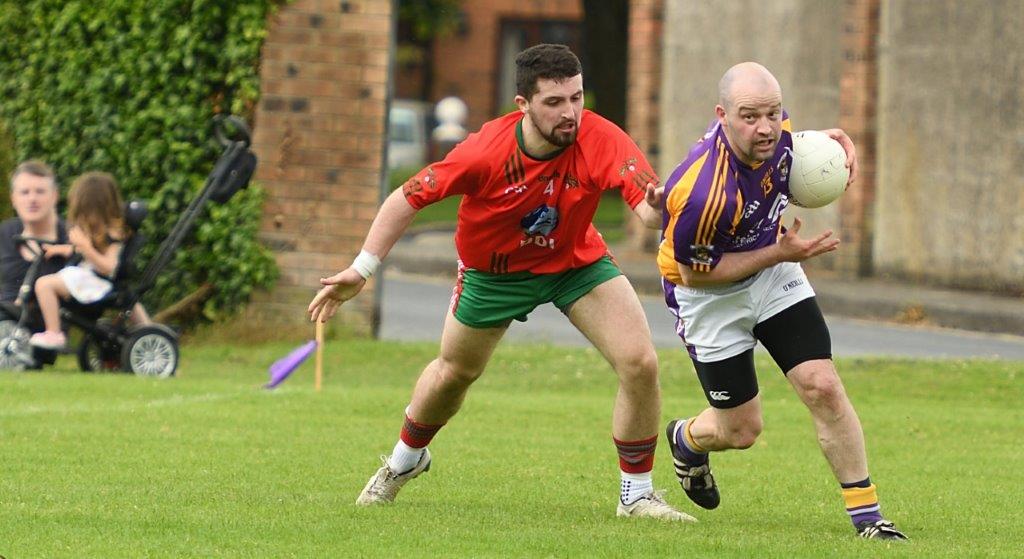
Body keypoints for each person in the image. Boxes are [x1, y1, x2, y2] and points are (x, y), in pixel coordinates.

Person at [308, 44, 694, 521]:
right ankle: (405, 461)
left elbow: (646, 210)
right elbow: (406, 199)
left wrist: (662, 207)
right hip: (494, 275)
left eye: (576, 98)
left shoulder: (601, 136)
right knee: (453, 376)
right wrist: (362, 268)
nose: (570, 113)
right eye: (554, 103)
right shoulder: (483, 152)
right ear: (523, 106)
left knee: (639, 362)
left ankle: (636, 496)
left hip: (575, 261)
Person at [658, 62, 907, 539]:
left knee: (823, 386)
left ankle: (868, 517)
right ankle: (686, 439)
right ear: (723, 116)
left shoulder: (776, 130)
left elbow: (798, 141)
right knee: (741, 432)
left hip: (773, 274)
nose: (767, 127)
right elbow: (696, 273)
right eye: (750, 116)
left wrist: (833, 143)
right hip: (708, 296)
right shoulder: (704, 191)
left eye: (773, 113)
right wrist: (779, 250)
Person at [28, 172, 130, 350]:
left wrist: (86, 247)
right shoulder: (97, 228)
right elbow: (81, 251)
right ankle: (52, 331)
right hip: (86, 277)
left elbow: (109, 267)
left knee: (44, 284)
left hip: (97, 282)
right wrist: (60, 249)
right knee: (45, 283)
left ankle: (54, 333)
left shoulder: (113, 232)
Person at [0, 160, 70, 307]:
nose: (32, 199)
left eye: (40, 191)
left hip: (51, 326)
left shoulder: (72, 237)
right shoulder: (5, 232)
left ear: (55, 196)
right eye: (24, 192)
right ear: (14, 199)